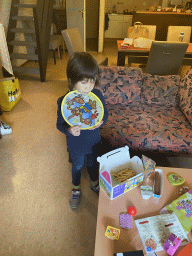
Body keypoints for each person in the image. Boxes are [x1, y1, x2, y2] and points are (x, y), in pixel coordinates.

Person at [56, 52, 108, 209]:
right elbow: (59, 124)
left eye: (92, 81)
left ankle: (94, 184)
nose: (89, 86)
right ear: (72, 80)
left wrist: (101, 122)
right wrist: (69, 130)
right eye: (84, 82)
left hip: (93, 140)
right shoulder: (63, 102)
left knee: (93, 165)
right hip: (76, 143)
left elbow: (104, 114)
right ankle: (76, 188)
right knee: (77, 166)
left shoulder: (96, 95)